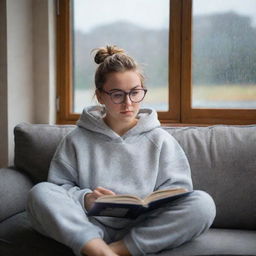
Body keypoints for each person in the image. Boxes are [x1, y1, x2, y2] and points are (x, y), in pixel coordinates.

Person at [27, 45, 216, 256]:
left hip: (145, 226)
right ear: (100, 96)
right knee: (40, 192)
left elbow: (180, 190)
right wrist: (86, 199)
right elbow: (59, 188)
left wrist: (152, 203)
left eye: (135, 93)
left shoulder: (161, 140)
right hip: (88, 224)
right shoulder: (76, 139)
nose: (128, 103)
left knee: (203, 204)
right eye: (117, 95)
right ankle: (96, 248)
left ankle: (111, 251)